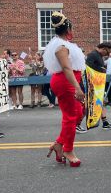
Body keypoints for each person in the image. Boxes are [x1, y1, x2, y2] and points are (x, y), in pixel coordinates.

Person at [43, 11, 85, 167]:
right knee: (70, 116)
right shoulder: (60, 46)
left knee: (79, 113)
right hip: (65, 82)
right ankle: (68, 150)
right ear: (68, 29)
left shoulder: (66, 45)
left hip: (71, 81)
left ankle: (59, 143)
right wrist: (77, 88)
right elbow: (67, 68)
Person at [84, 42, 111, 130]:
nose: (108, 55)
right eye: (107, 52)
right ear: (103, 48)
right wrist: (102, 69)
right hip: (92, 85)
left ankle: (105, 122)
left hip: (97, 85)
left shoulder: (98, 56)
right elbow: (88, 68)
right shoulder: (92, 55)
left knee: (99, 103)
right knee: (89, 104)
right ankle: (76, 124)